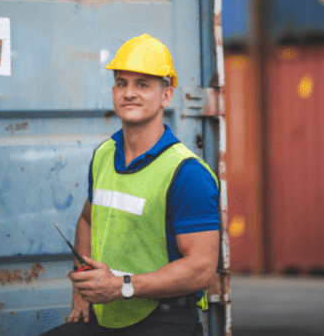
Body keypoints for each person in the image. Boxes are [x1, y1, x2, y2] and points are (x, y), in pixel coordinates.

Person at [42, 34, 221, 336]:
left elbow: (201, 268)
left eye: (142, 84)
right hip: (107, 315)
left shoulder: (187, 173)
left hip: (165, 321)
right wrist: (83, 285)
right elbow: (87, 219)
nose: (129, 93)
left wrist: (122, 287)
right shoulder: (104, 155)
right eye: (122, 83)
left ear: (166, 96)